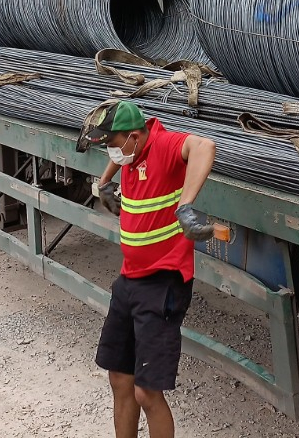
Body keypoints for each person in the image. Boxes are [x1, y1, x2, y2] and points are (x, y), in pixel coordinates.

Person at [83, 100, 217, 438]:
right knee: (119, 378)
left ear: (133, 136)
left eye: (112, 144)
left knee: (146, 392)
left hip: (162, 284)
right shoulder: (131, 153)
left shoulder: (165, 146)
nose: (112, 152)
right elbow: (118, 156)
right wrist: (104, 182)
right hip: (129, 280)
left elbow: (205, 146)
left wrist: (185, 206)